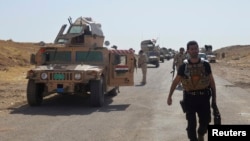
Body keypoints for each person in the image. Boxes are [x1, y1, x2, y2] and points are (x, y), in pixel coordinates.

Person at [167, 40, 217, 141]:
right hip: (189, 98)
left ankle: (201, 133)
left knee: (205, 122)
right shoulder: (183, 67)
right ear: (188, 51)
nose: (194, 51)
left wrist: (214, 100)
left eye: (196, 48)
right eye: (192, 49)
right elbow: (175, 82)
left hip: (204, 97)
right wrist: (170, 96)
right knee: (191, 125)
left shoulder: (206, 65)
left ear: (198, 49)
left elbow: (212, 82)